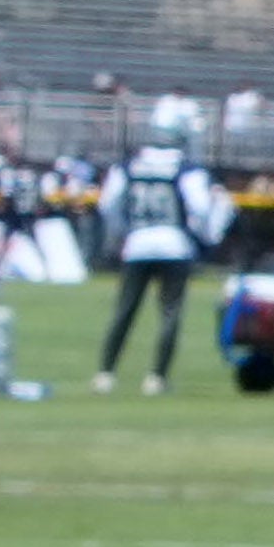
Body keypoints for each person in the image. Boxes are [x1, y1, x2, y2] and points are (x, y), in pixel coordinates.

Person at [96, 99, 218, 389]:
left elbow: (107, 204)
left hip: (138, 243)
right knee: (170, 312)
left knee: (124, 310)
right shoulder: (188, 170)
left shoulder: (127, 166)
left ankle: (105, 373)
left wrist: (123, 232)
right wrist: (198, 236)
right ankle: (157, 377)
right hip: (174, 244)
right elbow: (200, 209)